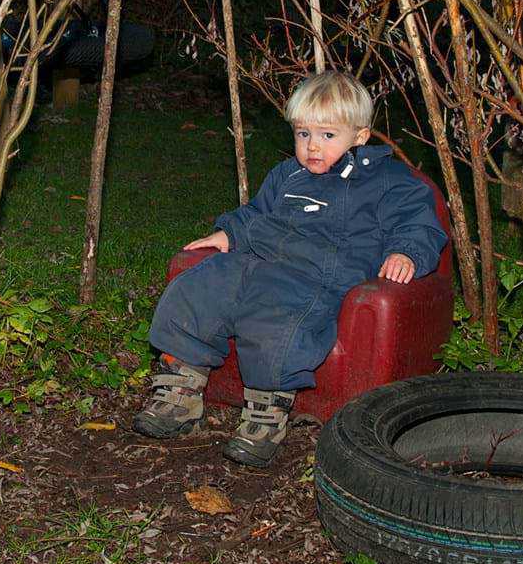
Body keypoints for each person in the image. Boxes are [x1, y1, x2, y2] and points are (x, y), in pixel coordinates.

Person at [135, 71, 447, 466]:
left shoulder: (387, 183)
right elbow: (256, 214)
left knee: (276, 322)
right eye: (303, 134)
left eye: (327, 136)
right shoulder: (287, 176)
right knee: (196, 287)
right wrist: (227, 235)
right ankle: (178, 393)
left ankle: (264, 417)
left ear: (360, 136)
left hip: (315, 278)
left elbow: (418, 224)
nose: (312, 146)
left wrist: (406, 252)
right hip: (258, 263)